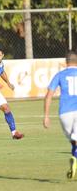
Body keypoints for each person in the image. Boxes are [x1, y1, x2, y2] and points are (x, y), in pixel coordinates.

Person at [43, 50, 77, 179]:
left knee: (74, 142)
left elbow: (48, 96)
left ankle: (74, 159)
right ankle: (75, 158)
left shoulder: (60, 75)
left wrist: (46, 116)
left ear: (66, 62)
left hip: (65, 114)